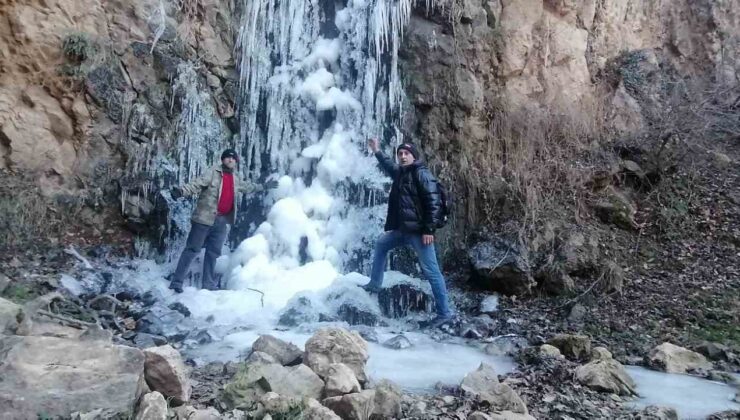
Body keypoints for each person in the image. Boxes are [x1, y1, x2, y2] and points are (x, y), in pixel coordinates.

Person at [361, 138, 453, 328]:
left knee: (432, 272)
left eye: (406, 154)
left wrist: (429, 229)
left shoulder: (422, 174)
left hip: (419, 233)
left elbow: (433, 203)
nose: (402, 156)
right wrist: (377, 150)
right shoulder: (402, 174)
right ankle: (374, 285)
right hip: (403, 231)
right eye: (400, 154)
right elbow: (388, 166)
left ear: (414, 156)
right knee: (381, 244)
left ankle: (445, 313)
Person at [168, 148, 276, 293]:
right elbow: (197, 184)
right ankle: (176, 282)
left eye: (233, 158)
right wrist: (181, 191)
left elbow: (248, 187)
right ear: (222, 160)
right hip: (203, 219)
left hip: (221, 222)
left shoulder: (235, 179)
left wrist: (264, 186)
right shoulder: (213, 172)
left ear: (236, 161)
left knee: (213, 253)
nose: (230, 160)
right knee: (192, 250)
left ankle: (208, 284)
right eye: (227, 158)